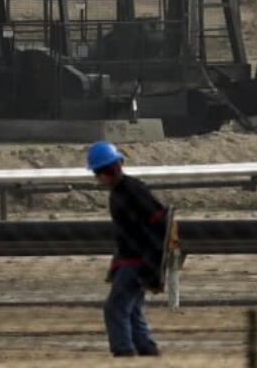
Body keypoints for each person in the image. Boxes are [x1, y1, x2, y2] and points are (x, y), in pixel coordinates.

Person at [88, 140, 167, 358]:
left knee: (115, 307)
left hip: (136, 260)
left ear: (103, 172)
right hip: (136, 258)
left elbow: (158, 223)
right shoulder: (128, 189)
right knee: (131, 308)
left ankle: (123, 349)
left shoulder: (128, 191)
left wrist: (151, 260)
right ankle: (146, 347)